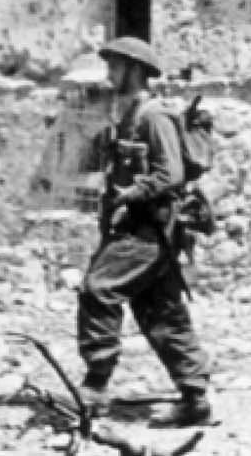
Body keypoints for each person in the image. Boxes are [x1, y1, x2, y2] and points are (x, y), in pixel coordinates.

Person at [77, 36, 213, 428]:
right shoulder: (130, 114)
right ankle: (194, 397)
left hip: (148, 228)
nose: (109, 74)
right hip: (142, 226)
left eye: (115, 66)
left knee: (99, 289)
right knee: (161, 311)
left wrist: (129, 194)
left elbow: (169, 174)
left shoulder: (154, 116)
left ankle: (96, 385)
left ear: (134, 69)